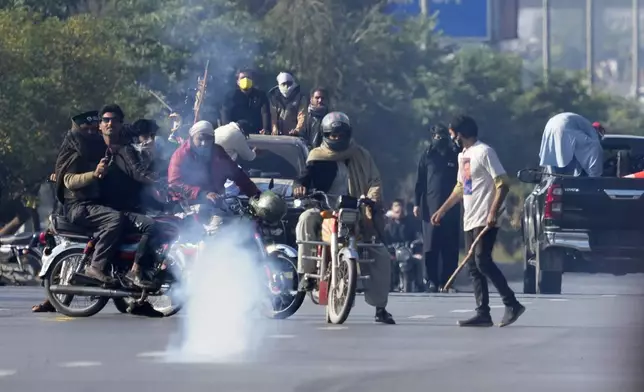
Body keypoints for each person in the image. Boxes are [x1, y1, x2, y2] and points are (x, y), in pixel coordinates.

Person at [293, 111, 395, 324]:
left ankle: (380, 308)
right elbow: (305, 176)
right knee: (305, 218)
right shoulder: (317, 155)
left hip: (356, 211)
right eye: (333, 135)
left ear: (348, 134)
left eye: (341, 135)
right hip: (324, 209)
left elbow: (375, 180)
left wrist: (371, 198)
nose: (337, 138)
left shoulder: (361, 155)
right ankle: (306, 273)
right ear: (326, 134)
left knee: (381, 254)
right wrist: (300, 187)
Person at [431, 115, 525, 327]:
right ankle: (483, 313)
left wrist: (493, 212)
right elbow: (462, 188)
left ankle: (512, 304)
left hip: (486, 217)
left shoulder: (485, 152)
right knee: (473, 266)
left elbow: (502, 182)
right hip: (470, 217)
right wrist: (442, 211)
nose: (452, 138)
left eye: (453, 134)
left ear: (461, 133)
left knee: (483, 260)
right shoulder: (464, 156)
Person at [167, 120, 260, 229]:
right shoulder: (180, 155)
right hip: (187, 206)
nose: (204, 143)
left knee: (241, 223)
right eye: (200, 139)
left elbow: (237, 174)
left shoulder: (217, 151)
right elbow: (174, 183)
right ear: (192, 137)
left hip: (216, 203)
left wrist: (256, 195)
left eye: (208, 139)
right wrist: (202, 194)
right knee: (218, 227)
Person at [413, 124, 460, 293]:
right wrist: (416, 203)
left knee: (450, 247)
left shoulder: (455, 155)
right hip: (429, 208)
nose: (440, 140)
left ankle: (447, 282)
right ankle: (431, 280)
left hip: (452, 208)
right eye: (437, 136)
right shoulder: (427, 156)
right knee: (431, 247)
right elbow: (420, 182)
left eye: (443, 136)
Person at [539, 112, 604, 177]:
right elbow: (595, 145)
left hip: (550, 125)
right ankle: (594, 176)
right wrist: (595, 176)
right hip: (564, 125)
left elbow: (580, 154)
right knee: (594, 146)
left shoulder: (581, 127)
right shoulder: (591, 130)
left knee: (552, 153)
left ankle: (553, 176)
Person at [220, 69, 271, 135]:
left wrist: (265, 129)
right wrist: (228, 129)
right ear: (237, 81)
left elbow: (265, 113)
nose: (246, 80)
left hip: (257, 133)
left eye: (248, 78)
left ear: (252, 80)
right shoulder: (230, 96)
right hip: (236, 133)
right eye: (242, 78)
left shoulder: (261, 95)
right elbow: (225, 113)